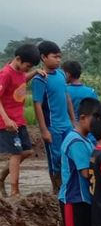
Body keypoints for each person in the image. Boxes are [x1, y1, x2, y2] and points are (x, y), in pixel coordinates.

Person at [59, 98, 101, 226]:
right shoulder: (76, 141)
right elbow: (86, 172)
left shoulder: (85, 140)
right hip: (75, 199)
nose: (98, 122)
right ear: (83, 117)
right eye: (95, 118)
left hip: (85, 199)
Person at [32, 40, 76, 193]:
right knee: (55, 159)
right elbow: (37, 105)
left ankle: (67, 187)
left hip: (67, 125)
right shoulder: (39, 79)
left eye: (59, 57)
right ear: (43, 57)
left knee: (69, 155)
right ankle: (56, 190)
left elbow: (67, 97)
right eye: (54, 56)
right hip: (53, 127)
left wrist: (73, 121)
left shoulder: (61, 75)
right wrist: (44, 130)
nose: (58, 59)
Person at [0, 44, 41, 197]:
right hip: (7, 122)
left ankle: (2, 176)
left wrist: (35, 72)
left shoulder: (20, 72)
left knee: (27, 151)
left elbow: (22, 79)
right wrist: (6, 120)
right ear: (18, 59)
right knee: (16, 154)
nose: (27, 69)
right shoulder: (5, 74)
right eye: (27, 66)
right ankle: (14, 191)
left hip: (19, 120)